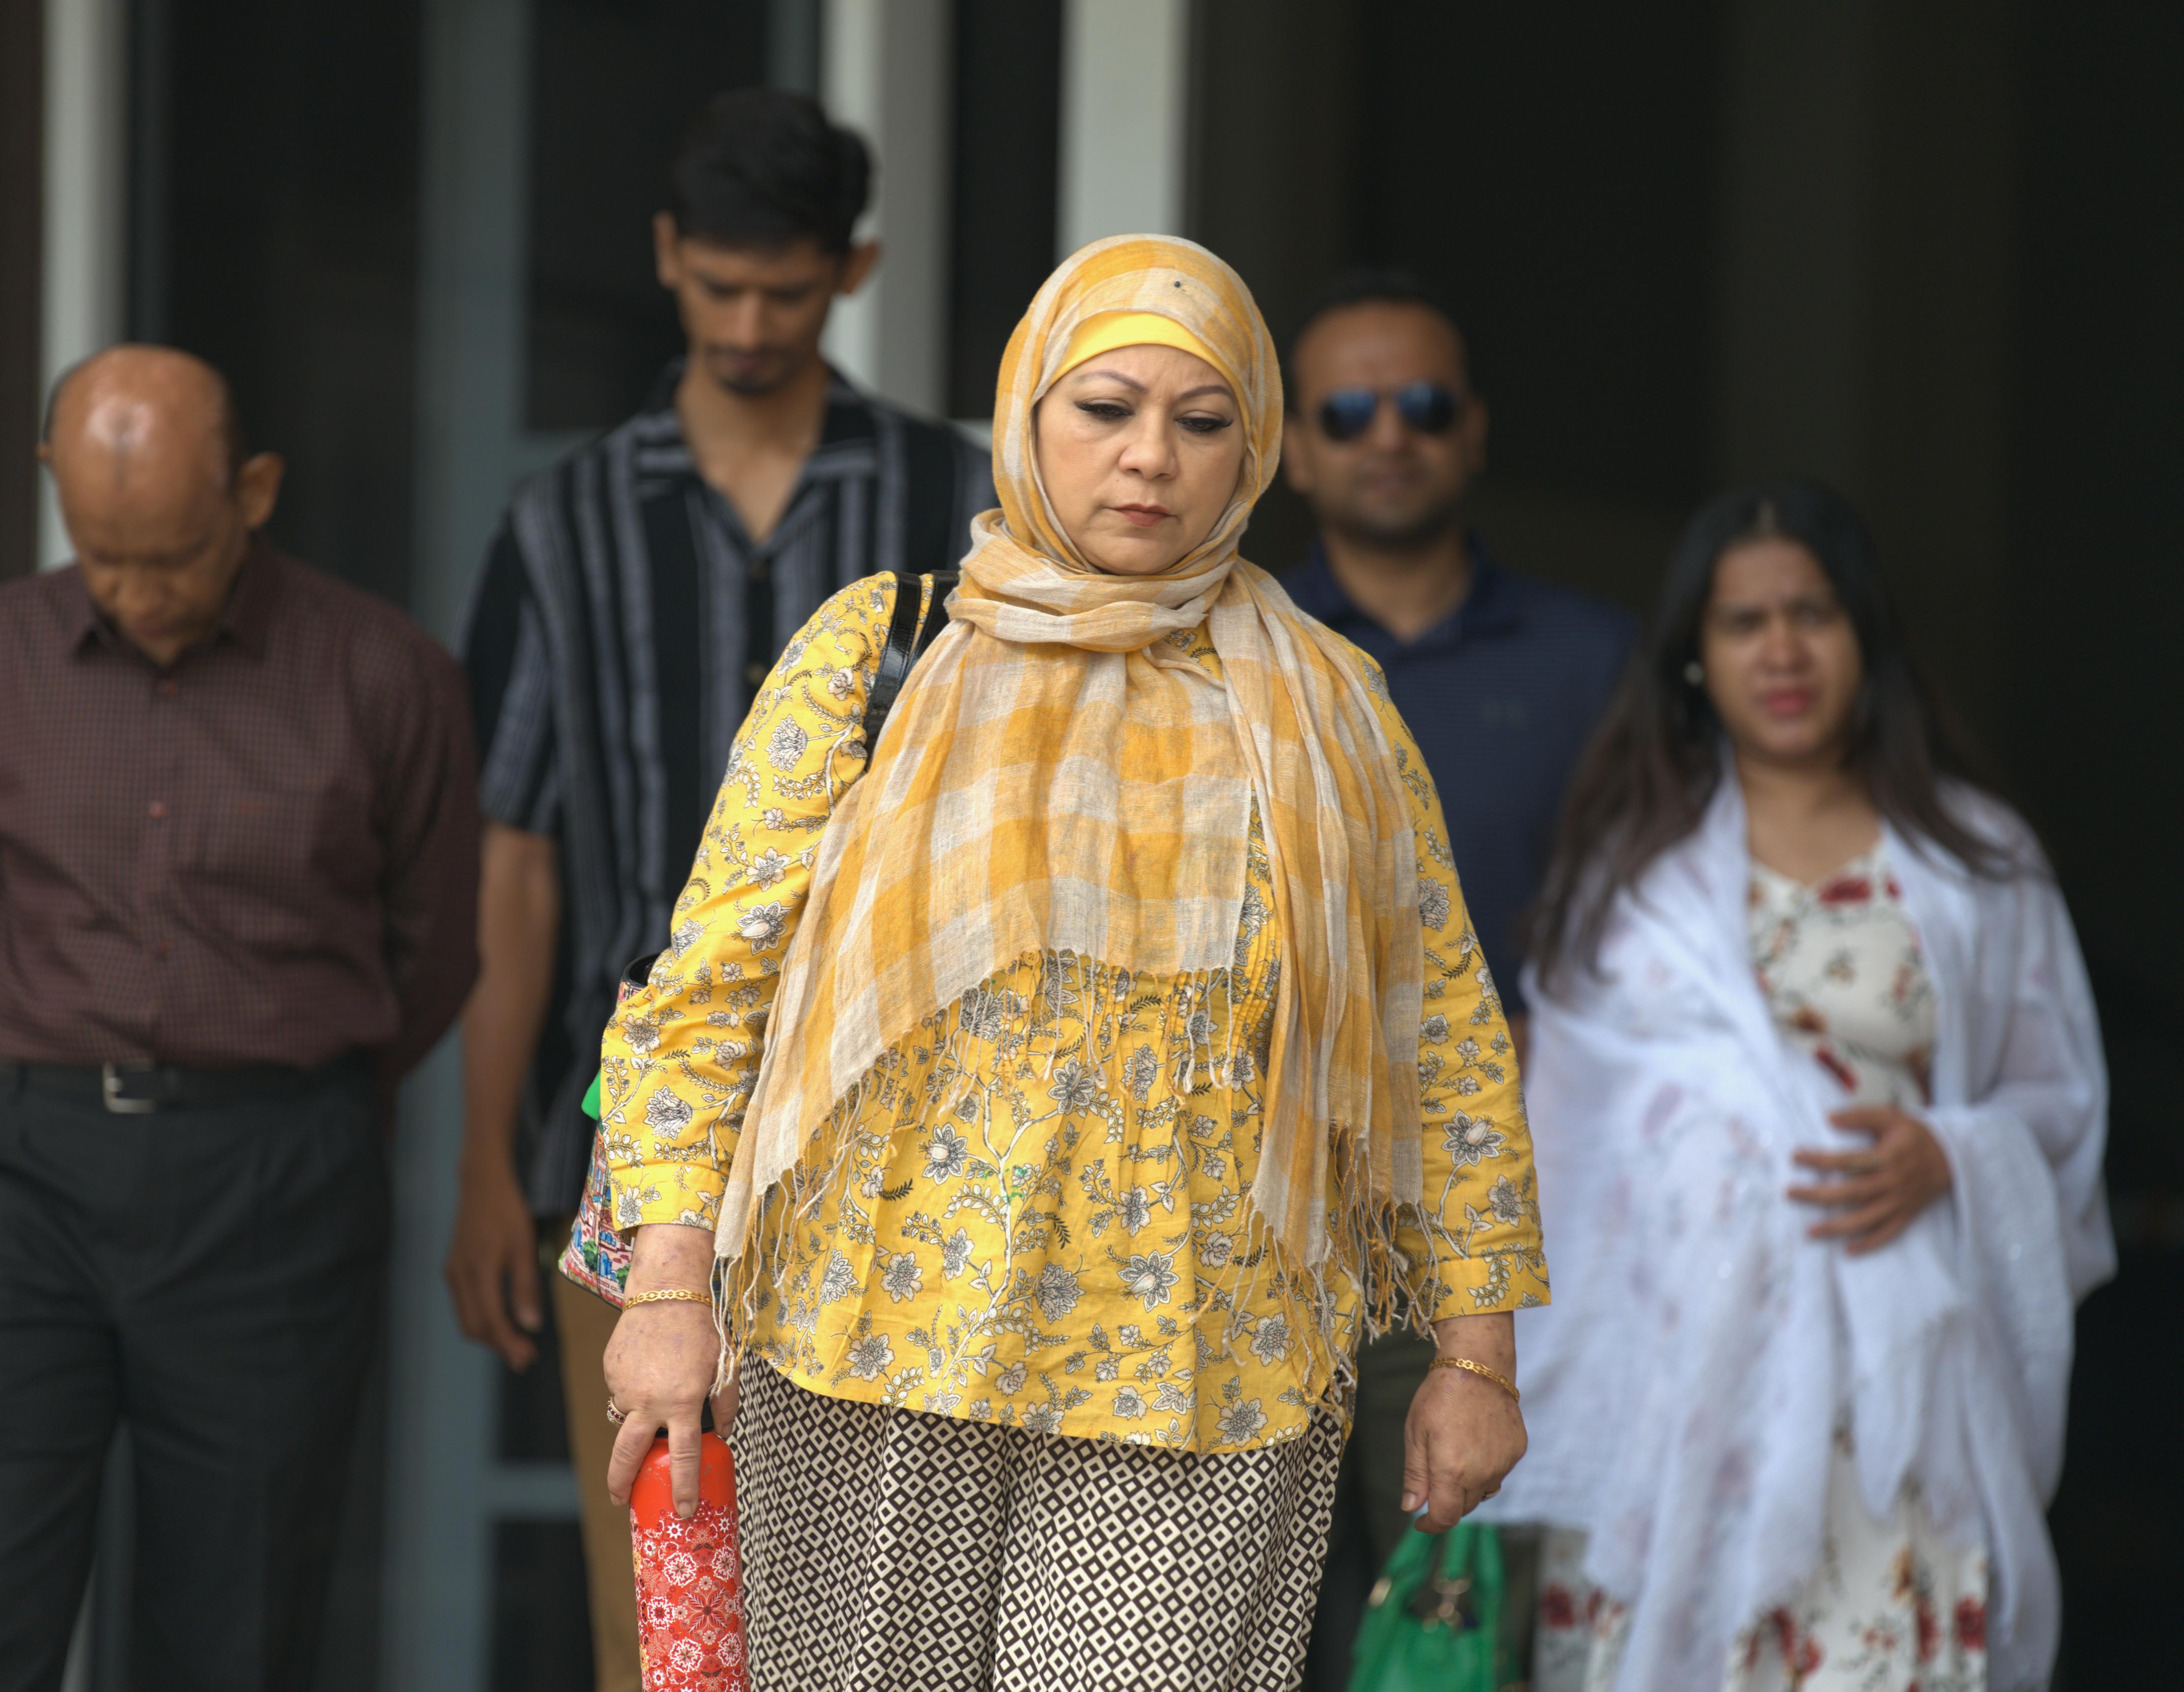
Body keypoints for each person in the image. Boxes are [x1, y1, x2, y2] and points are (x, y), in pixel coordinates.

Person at [596, 234, 1544, 1690]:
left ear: (1255, 449)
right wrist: (667, 1288)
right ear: (1027, 415)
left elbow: (1445, 1046)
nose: (1150, 456)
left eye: (1202, 420)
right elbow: (710, 992)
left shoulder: (1334, 708)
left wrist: (1477, 1361)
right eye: (1105, 409)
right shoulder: (880, 655)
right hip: (866, 1342)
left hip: (1202, 1374)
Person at [447, 87, 991, 1691]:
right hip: (630, 1139)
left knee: (891, 1601)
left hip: (911, 1125)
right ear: (667, 257)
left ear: (854, 271)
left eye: (788, 290)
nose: (750, 325)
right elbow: (513, 857)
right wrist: (486, 1162)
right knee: (661, 1600)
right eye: (720, 286)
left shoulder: (953, 504)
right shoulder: (564, 524)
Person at [0, 346, 480, 1690]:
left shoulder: (381, 675)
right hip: (34, 1158)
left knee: (235, 1621)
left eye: (168, 557)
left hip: (270, 1172)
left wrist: (295, 1081)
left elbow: (435, 948)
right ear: (53, 489)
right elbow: (3, 900)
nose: (134, 592)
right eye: (101, 557)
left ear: (255, 493)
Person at [1491, 482, 2111, 1692]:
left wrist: (1950, 1154)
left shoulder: (1974, 862)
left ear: (1863, 636)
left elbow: (2061, 1108)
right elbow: (1560, 1153)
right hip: (1676, 1407)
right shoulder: (1633, 873)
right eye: (1743, 622)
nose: (1780, 650)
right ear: (1695, 657)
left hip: (1894, 1405)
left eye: (1812, 614)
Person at [1277, 268, 1634, 1682]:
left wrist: (1569, 1036)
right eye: (1347, 412)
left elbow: (1677, 926)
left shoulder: (1594, 662)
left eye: (1422, 406)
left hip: (1519, 1216)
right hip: (1267, 1209)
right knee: (1254, 1625)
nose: (1389, 435)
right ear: (1294, 448)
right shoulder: (1253, 654)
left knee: (1462, 1627)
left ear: (1474, 430)